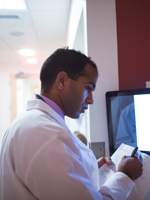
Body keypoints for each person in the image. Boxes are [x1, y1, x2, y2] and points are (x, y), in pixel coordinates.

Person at [0, 48, 143, 200]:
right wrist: (125, 176)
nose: (91, 100)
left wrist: (90, 168)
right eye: (88, 88)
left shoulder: (33, 123)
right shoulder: (45, 133)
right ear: (62, 81)